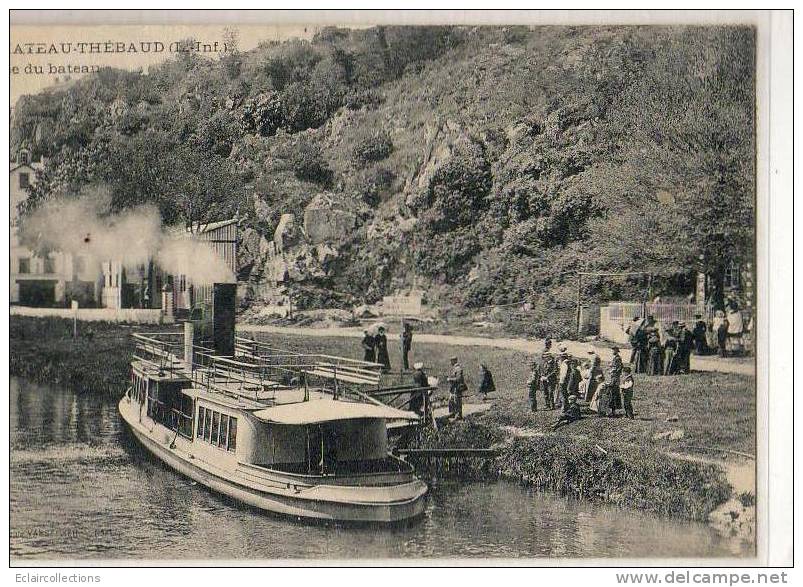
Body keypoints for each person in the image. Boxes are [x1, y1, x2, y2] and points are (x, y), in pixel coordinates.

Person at [608, 346, 623, 413]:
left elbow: (619, 367)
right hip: (613, 376)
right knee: (612, 392)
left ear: (616, 351)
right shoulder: (615, 358)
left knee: (614, 392)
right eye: (612, 350)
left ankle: (613, 409)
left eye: (614, 350)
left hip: (615, 377)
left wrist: (613, 371)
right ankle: (612, 409)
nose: (612, 352)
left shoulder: (618, 358)